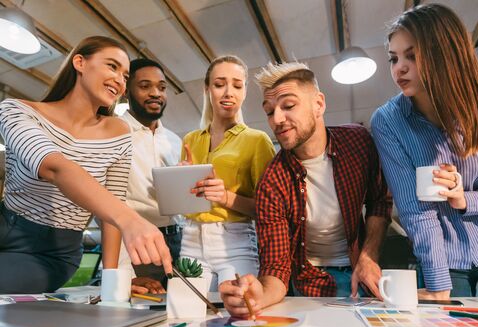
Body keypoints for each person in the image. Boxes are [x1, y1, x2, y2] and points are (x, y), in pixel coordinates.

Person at [0, 36, 172, 294]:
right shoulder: (17, 110)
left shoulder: (119, 133)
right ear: (79, 62)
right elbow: (52, 167)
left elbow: (111, 206)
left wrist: (114, 280)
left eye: (125, 76)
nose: (120, 81)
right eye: (112, 66)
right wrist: (131, 221)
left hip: (49, 251)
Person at [220, 62, 392, 318]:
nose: (277, 119)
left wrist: (369, 256)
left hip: (359, 272)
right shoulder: (272, 180)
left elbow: (379, 200)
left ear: (319, 104)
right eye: (269, 111)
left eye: (288, 106)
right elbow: (276, 267)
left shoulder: (357, 142)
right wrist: (258, 297)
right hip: (307, 282)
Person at [370, 4, 478, 298]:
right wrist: (438, 284)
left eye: (412, 56)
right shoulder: (387, 121)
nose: (399, 68)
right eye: (394, 58)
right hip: (446, 263)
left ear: (446, 55)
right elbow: (415, 211)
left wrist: (463, 199)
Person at [180, 55, 275, 291]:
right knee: (185, 314)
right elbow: (184, 204)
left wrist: (225, 197)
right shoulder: (190, 140)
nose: (228, 92)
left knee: (241, 315)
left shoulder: (257, 141)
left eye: (237, 85)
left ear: (244, 92)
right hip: (190, 239)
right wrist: (181, 186)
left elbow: (269, 211)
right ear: (207, 89)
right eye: (219, 84)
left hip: (235, 242)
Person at [116, 58, 182, 294]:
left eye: (162, 87)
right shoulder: (113, 132)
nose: (156, 93)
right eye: (145, 86)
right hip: (137, 245)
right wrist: (124, 272)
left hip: (179, 242)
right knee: (140, 315)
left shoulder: (175, 140)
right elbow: (105, 207)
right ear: (126, 91)